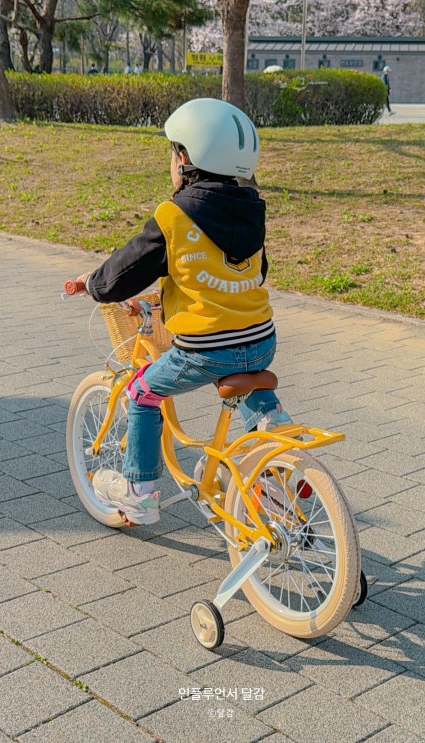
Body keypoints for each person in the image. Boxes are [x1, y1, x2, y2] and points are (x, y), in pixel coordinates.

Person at [75, 98, 293, 525]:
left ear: (186, 157)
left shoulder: (173, 216)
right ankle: (272, 433)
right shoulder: (252, 209)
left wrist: (94, 285)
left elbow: (127, 270)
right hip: (261, 340)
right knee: (246, 374)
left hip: (205, 350)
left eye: (173, 150)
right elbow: (257, 272)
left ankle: (139, 493)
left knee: (142, 392)